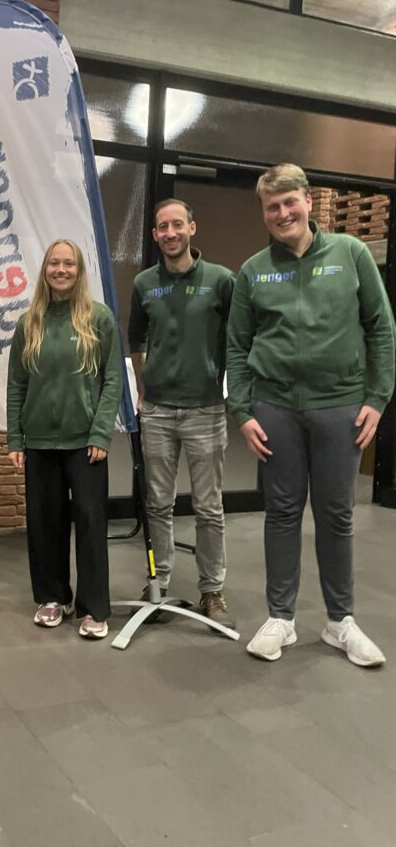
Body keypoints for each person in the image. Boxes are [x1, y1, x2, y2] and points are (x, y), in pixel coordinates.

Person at [227, 163, 395, 666]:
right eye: (271, 206)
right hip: (274, 408)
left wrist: (377, 398)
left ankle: (340, 622)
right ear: (263, 212)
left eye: (289, 202)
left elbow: (381, 328)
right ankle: (281, 619)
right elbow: (236, 345)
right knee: (281, 512)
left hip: (340, 406)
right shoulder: (254, 270)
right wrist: (241, 410)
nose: (282, 213)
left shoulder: (351, 254)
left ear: (307, 201)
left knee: (336, 514)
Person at [7, 239, 122, 639]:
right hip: (39, 442)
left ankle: (93, 608)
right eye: (54, 263)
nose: (61, 270)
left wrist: (101, 432)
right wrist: (16, 439)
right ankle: (52, 597)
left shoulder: (99, 319)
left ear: (79, 270)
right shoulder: (29, 323)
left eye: (68, 263)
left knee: (90, 524)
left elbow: (112, 381)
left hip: (85, 442)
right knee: (45, 524)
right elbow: (16, 384)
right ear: (45, 270)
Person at [128, 199, 235, 628]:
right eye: (162, 227)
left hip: (205, 410)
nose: (170, 233)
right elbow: (136, 339)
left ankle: (212, 590)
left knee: (209, 508)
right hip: (157, 411)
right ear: (155, 234)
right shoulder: (144, 283)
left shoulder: (221, 280)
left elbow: (239, 338)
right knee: (158, 504)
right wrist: (143, 387)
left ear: (192, 227)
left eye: (177, 225)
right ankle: (159, 584)